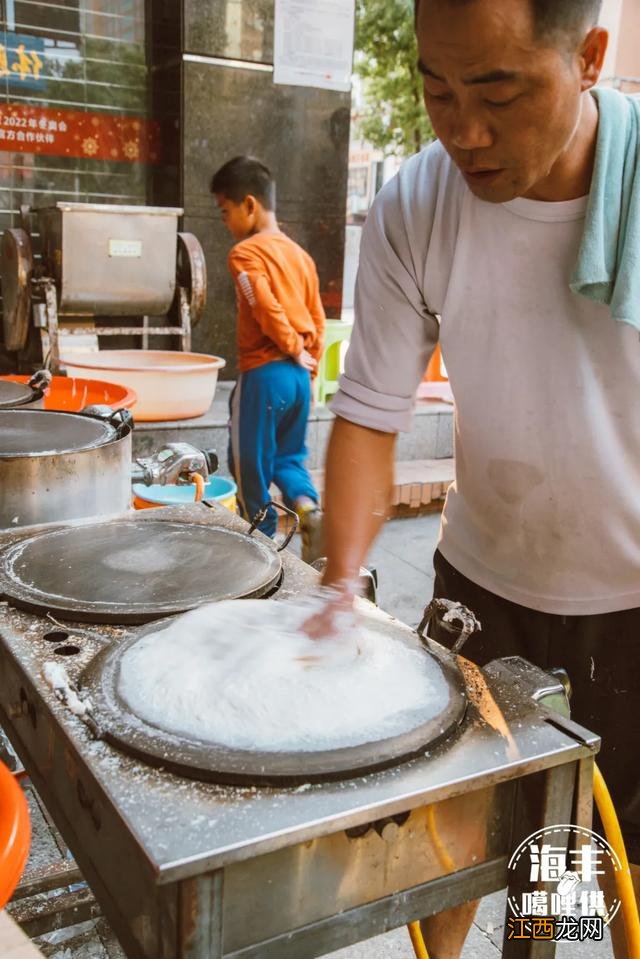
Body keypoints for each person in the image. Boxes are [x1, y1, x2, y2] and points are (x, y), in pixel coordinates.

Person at [313, 0, 640, 956]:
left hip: (629, 604)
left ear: (587, 58)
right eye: (437, 89)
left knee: (578, 865)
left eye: (498, 91)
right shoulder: (417, 203)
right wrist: (338, 584)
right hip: (481, 587)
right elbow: (371, 414)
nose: (463, 130)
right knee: (445, 849)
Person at [211, 156, 325, 562]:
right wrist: (306, 361)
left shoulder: (245, 254)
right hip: (298, 380)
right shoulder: (302, 257)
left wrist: (291, 345)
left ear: (249, 204)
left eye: (225, 212)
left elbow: (263, 304)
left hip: (264, 376)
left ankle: (261, 549)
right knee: (288, 458)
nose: (225, 223)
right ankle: (309, 510)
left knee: (249, 466)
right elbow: (318, 319)